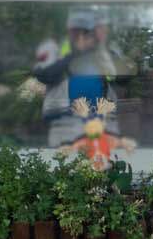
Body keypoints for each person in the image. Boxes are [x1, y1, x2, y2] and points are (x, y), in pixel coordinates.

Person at [32, 9, 128, 147]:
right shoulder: (53, 47)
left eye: (85, 30)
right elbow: (44, 75)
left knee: (102, 164)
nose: (80, 35)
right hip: (64, 124)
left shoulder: (106, 51)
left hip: (102, 124)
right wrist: (76, 53)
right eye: (76, 30)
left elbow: (123, 79)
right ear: (68, 30)